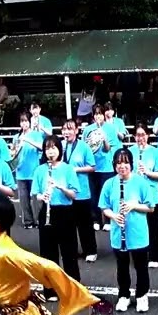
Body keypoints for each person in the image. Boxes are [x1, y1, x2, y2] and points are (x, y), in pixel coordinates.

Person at [98, 149, 158, 313]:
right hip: (118, 233)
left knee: (141, 266)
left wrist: (134, 205)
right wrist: (114, 216)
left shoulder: (140, 182)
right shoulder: (109, 183)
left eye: (125, 162)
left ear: (131, 164)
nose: (122, 166)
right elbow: (104, 207)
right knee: (122, 267)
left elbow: (151, 207)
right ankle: (123, 295)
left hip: (138, 233)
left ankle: (142, 295)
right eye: (118, 163)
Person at [32, 135, 80, 285]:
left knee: (69, 253)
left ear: (59, 149)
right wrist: (43, 196)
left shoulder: (68, 169)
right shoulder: (40, 170)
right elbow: (36, 194)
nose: (50, 152)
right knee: (48, 254)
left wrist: (60, 187)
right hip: (47, 212)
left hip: (65, 213)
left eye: (53, 148)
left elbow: (74, 195)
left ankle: (72, 287)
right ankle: (50, 289)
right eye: (47, 149)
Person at [60, 119, 98, 264]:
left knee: (85, 224)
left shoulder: (83, 147)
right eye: (64, 129)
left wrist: (75, 170)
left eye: (70, 129)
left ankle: (91, 250)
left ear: (76, 131)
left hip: (81, 192)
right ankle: (72, 251)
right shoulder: (60, 145)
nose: (67, 132)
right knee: (68, 225)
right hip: (65, 193)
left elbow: (92, 167)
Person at [128, 124, 158, 268]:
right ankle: (139, 255)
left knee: (152, 227)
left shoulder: (155, 152)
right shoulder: (130, 151)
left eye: (143, 135)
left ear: (148, 136)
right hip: (134, 194)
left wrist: (147, 172)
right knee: (136, 226)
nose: (140, 138)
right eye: (138, 135)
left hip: (151, 194)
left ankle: (154, 256)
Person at [82, 106, 120, 230]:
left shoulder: (111, 128)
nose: (98, 116)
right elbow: (85, 147)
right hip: (92, 166)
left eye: (100, 114)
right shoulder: (88, 129)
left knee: (107, 194)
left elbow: (108, 149)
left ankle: (108, 221)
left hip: (106, 167)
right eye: (96, 114)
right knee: (94, 195)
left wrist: (104, 138)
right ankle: (96, 219)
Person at [12, 113, 46, 229]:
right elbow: (13, 153)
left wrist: (28, 140)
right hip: (20, 171)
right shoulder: (17, 137)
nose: (24, 124)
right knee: (23, 198)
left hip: (33, 171)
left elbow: (42, 147)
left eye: (26, 121)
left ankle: (38, 220)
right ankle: (28, 221)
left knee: (36, 197)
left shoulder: (36, 135)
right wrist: (15, 151)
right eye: (22, 121)